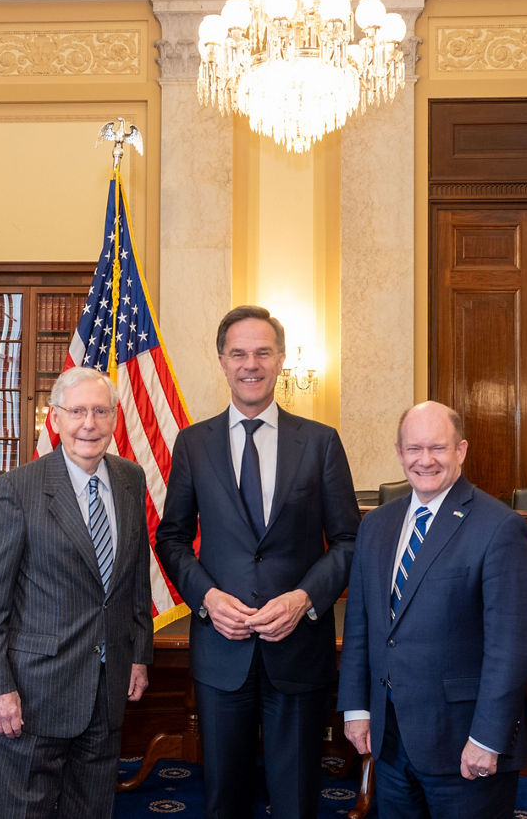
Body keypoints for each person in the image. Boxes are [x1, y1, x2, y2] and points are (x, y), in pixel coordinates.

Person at [156, 305, 360, 819]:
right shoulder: (193, 443)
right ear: (222, 361)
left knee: (295, 798)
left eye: (263, 352)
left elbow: (348, 542)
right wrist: (205, 598)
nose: (252, 363)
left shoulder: (320, 442)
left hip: (298, 648)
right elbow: (172, 539)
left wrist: (303, 599)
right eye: (239, 353)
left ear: (281, 359)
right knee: (224, 797)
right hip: (221, 654)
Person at [337, 401, 527, 819]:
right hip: (390, 743)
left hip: (463, 746)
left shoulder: (500, 527)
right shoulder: (376, 525)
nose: (424, 460)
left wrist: (487, 739)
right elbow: (362, 626)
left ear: (461, 451)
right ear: (398, 452)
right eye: (413, 449)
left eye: (438, 448)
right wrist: (358, 709)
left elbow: (511, 647)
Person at [0, 366, 153, 819]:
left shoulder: (131, 478)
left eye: (99, 411)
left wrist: (140, 653)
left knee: (91, 808)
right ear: (55, 419)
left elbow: (135, 579)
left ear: (115, 418)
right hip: (34, 692)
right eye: (76, 411)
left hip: (107, 686)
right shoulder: (18, 489)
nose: (88, 423)